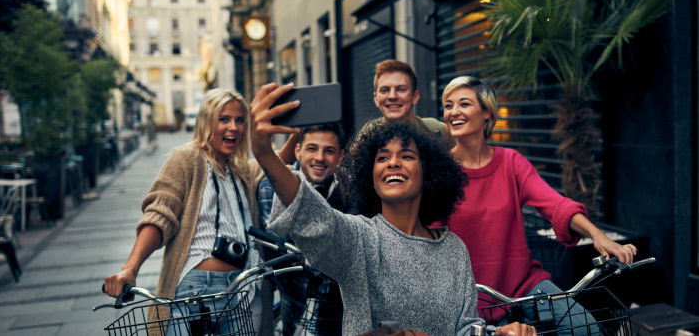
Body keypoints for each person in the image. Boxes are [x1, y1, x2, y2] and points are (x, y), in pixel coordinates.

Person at [248, 82, 535, 336]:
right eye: (382, 157)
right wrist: (264, 153)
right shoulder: (359, 238)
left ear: (429, 173)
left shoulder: (454, 249)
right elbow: (313, 215)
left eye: (407, 156)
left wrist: (501, 333)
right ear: (370, 175)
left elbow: (464, 327)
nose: (392, 162)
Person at [439, 76, 637, 333]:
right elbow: (430, 238)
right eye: (447, 105)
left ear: (486, 112)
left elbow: (553, 203)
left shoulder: (511, 162)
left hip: (524, 285)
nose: (453, 112)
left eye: (464, 104)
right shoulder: (441, 169)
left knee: (587, 329)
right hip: (469, 297)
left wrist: (598, 236)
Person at [103, 89, 295, 335]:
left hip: (241, 291)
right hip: (195, 291)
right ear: (206, 121)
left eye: (239, 120)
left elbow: (276, 162)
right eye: (223, 119)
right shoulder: (187, 160)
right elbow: (160, 214)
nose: (233, 127)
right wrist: (131, 268)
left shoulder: (242, 172)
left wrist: (298, 131)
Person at [258, 123, 347, 335]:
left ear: (340, 157)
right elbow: (285, 241)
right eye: (311, 149)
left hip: (340, 317)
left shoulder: (349, 187)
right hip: (295, 311)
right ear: (297, 151)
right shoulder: (271, 188)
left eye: (329, 151)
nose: (319, 157)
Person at [360, 59, 455, 146]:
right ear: (376, 99)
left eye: (401, 89)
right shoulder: (367, 137)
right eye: (385, 90)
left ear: (415, 96)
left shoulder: (438, 131)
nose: (392, 96)